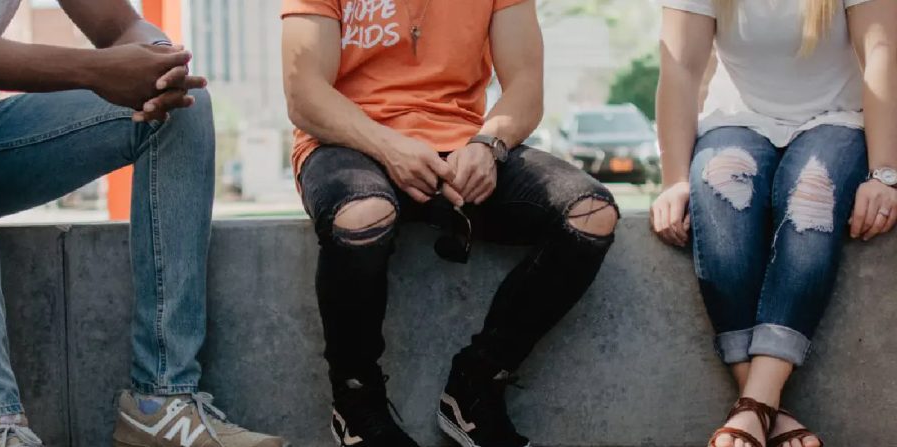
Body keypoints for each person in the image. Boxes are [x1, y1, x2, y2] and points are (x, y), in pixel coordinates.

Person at [0, 1, 286, 446]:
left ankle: (161, 403)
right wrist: (94, 68)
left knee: (180, 104)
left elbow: (123, 25)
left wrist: (160, 62)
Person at [281, 1, 620, 446]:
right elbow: (304, 92)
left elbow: (526, 85)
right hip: (351, 142)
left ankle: (475, 386)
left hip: (462, 145)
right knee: (362, 215)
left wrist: (488, 144)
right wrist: (390, 148)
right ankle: (356, 403)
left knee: (590, 214)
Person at [651, 0, 897, 446]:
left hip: (837, 118)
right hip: (738, 120)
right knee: (718, 193)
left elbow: (882, 50)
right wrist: (673, 181)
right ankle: (767, 408)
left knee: (811, 201)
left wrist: (884, 173)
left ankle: (752, 406)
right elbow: (681, 69)